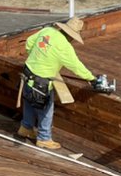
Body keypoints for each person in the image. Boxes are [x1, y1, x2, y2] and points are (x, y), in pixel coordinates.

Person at [18, 16, 106, 150]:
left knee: (29, 101)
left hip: (27, 73)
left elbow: (29, 42)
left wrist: (37, 59)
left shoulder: (47, 31)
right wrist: (92, 79)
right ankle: (44, 139)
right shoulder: (65, 47)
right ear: (72, 35)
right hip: (42, 82)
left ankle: (25, 128)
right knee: (46, 109)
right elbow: (76, 66)